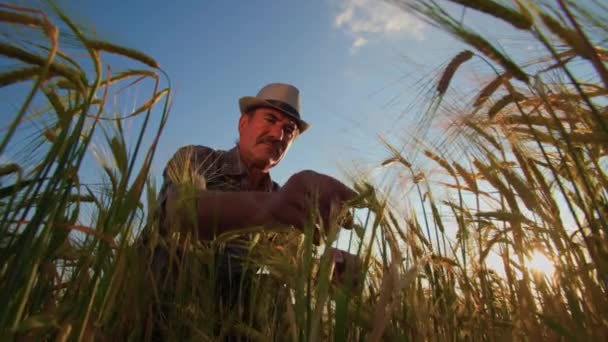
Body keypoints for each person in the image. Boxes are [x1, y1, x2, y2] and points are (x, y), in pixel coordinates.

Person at [148, 83, 359, 339]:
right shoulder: (199, 159)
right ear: (243, 124)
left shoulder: (288, 199)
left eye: (288, 130)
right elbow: (178, 211)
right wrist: (270, 208)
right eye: (270, 120)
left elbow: (291, 267)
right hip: (162, 323)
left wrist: (327, 269)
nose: (277, 134)